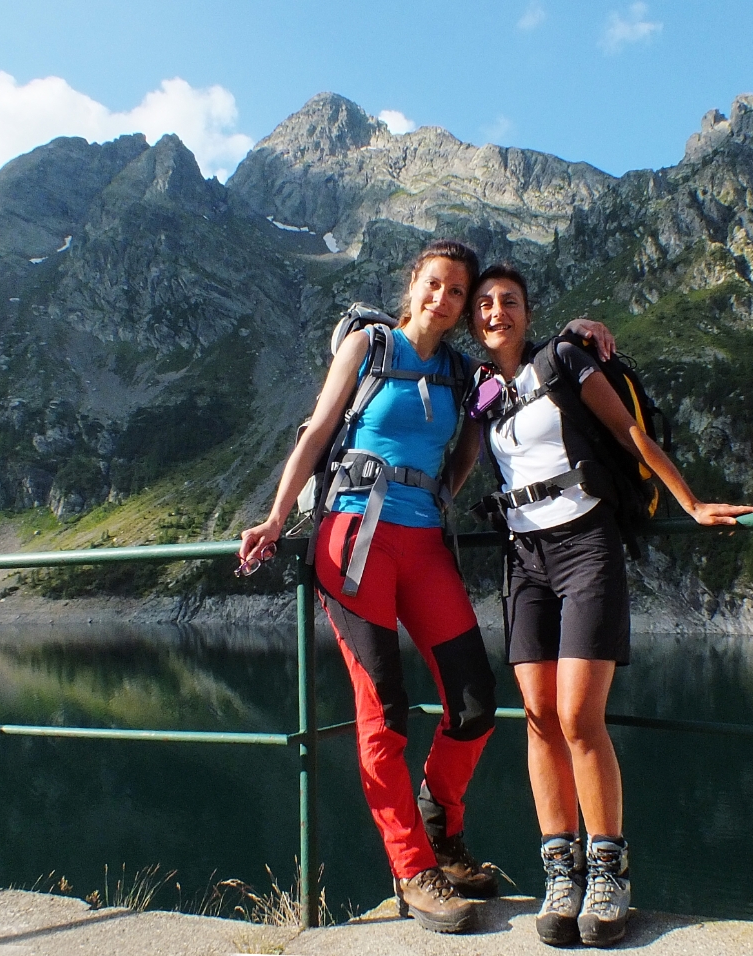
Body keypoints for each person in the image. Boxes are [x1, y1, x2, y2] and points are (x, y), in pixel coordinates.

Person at [239, 241, 614, 935]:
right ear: (412, 286)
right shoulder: (370, 345)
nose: (443, 301)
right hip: (353, 539)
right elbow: (319, 430)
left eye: (456, 293)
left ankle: (441, 823)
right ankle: (413, 870)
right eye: (434, 286)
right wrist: (271, 516)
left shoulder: (461, 371)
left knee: (473, 701)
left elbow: (513, 378)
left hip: (423, 540)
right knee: (382, 707)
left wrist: (579, 331)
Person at [455, 263, 753, 948]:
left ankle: (608, 872)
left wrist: (694, 503)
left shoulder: (563, 358)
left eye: (509, 302)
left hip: (587, 544)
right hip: (522, 559)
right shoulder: (479, 389)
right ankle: (558, 871)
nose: (496, 312)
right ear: (474, 321)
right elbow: (459, 460)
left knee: (577, 716)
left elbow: (631, 437)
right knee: (536, 718)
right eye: (485, 305)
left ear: (528, 313)